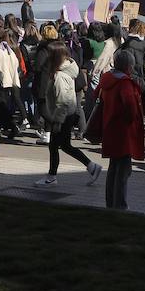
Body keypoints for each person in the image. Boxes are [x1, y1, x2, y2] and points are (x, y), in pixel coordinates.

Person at [33, 39, 101, 187]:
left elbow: (63, 100)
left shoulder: (59, 76)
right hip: (66, 115)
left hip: (62, 116)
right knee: (64, 146)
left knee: (56, 146)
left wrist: (57, 121)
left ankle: (52, 177)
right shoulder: (68, 69)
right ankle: (91, 166)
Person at [96, 49, 145, 209]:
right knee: (123, 171)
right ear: (128, 66)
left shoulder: (107, 79)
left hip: (109, 127)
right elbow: (131, 109)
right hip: (124, 132)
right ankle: (120, 205)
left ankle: (110, 203)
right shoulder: (125, 84)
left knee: (113, 169)